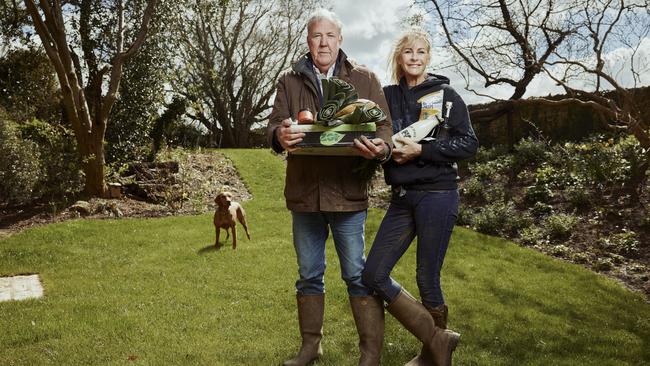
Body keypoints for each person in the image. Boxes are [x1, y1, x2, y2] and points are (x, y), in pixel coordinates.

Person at [266, 8, 393, 366]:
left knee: (356, 274)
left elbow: (384, 129)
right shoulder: (290, 81)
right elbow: (274, 125)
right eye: (316, 36)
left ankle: (369, 354)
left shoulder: (365, 79)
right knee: (309, 275)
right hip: (305, 195)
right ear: (307, 41)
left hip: (348, 194)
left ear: (340, 40)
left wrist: (381, 148)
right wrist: (280, 134)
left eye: (330, 36)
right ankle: (311, 347)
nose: (323, 42)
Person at [361, 28, 478, 366]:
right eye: (408, 51)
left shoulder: (445, 95)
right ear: (399, 57)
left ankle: (431, 355)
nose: (415, 57)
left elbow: (468, 144)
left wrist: (421, 150)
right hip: (401, 198)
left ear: (429, 58)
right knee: (373, 274)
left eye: (421, 52)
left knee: (427, 278)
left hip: (437, 195)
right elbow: (378, 137)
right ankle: (439, 339)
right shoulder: (387, 96)